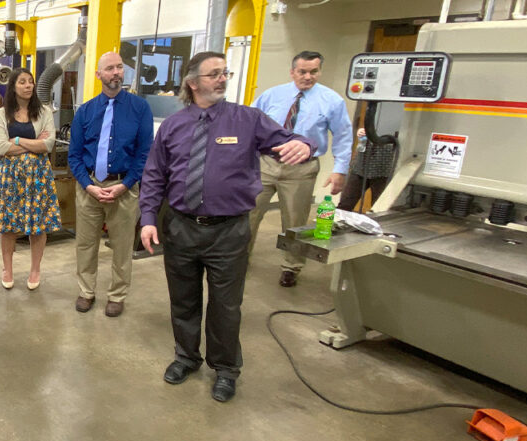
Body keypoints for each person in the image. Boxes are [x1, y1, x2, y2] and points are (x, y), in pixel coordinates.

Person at [139, 52, 315, 403]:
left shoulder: (247, 120)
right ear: (193, 83)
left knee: (226, 305)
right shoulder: (173, 126)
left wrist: (304, 144)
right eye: (213, 74)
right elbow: (155, 175)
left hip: (229, 231)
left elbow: (290, 141)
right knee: (184, 300)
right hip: (181, 228)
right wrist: (147, 219)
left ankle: (226, 369)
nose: (222, 79)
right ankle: (186, 357)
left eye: (225, 72)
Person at [247, 50, 353, 287]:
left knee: (295, 221)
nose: (308, 76)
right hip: (265, 163)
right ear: (292, 71)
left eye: (313, 71)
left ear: (319, 71)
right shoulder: (272, 95)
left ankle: (291, 267)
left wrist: (340, 170)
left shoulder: (331, 101)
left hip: (301, 169)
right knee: (248, 214)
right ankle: (239, 258)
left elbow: (344, 137)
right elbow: (248, 123)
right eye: (302, 71)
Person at [68, 51, 153, 317]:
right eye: (109, 68)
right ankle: (86, 291)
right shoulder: (85, 111)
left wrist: (125, 185)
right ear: (99, 75)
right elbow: (75, 154)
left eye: (119, 67)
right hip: (89, 186)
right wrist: (88, 185)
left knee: (122, 244)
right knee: (85, 243)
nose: (116, 72)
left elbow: (144, 153)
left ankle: (117, 294)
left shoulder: (140, 109)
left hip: (124, 188)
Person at [0, 67, 60, 290]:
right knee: (7, 226)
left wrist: (16, 140)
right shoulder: (1, 114)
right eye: (22, 82)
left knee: (39, 225)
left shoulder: (44, 112)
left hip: (38, 176)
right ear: (13, 86)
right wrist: (31, 144)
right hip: (9, 177)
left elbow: (48, 144)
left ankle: (35, 269)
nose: (28, 86)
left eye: (31, 82)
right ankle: (7, 268)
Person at [338, 127, 396, 212]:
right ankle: (336, 222)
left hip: (384, 168)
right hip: (361, 165)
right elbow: (367, 125)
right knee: (345, 203)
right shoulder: (374, 115)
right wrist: (361, 131)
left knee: (380, 207)